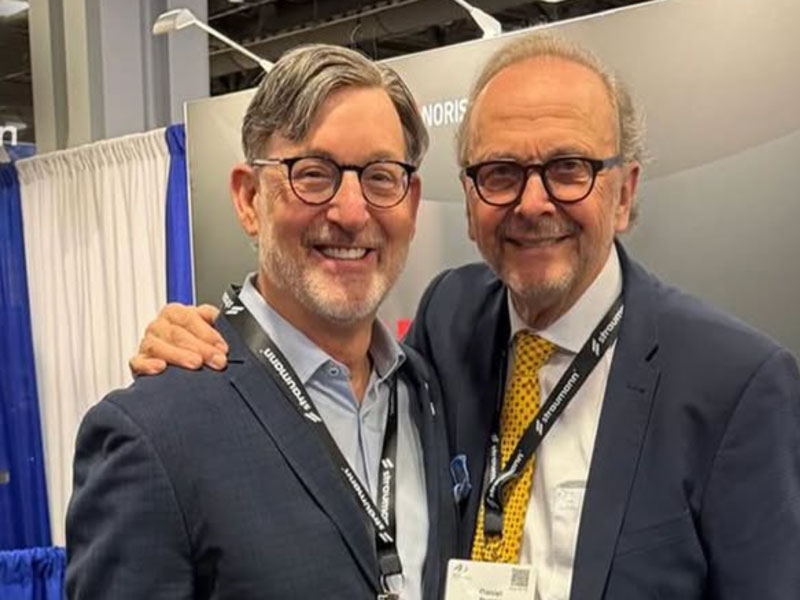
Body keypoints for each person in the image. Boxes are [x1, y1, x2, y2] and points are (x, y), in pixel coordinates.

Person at [130, 33, 800, 599]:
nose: (533, 204)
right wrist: (210, 338)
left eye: (569, 168)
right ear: (470, 202)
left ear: (623, 194)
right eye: (500, 172)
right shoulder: (449, 321)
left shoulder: (734, 386)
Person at [66, 44, 456, 600]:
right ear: (249, 199)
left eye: (380, 176)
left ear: (410, 203)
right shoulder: (152, 434)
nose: (351, 212)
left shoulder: (430, 395)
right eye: (313, 174)